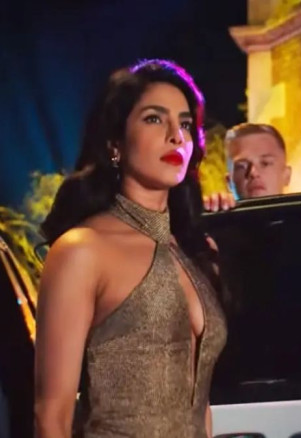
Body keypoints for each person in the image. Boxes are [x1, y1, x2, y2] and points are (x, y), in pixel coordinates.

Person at [34, 59, 227, 438]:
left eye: (185, 124)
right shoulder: (82, 251)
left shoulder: (196, 251)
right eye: (154, 119)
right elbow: (50, 416)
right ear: (115, 144)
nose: (176, 136)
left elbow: (199, 407)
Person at [203, 122, 292, 212]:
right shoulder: (217, 217)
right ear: (229, 181)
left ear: (287, 175)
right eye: (241, 166)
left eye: (265, 163)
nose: (253, 172)